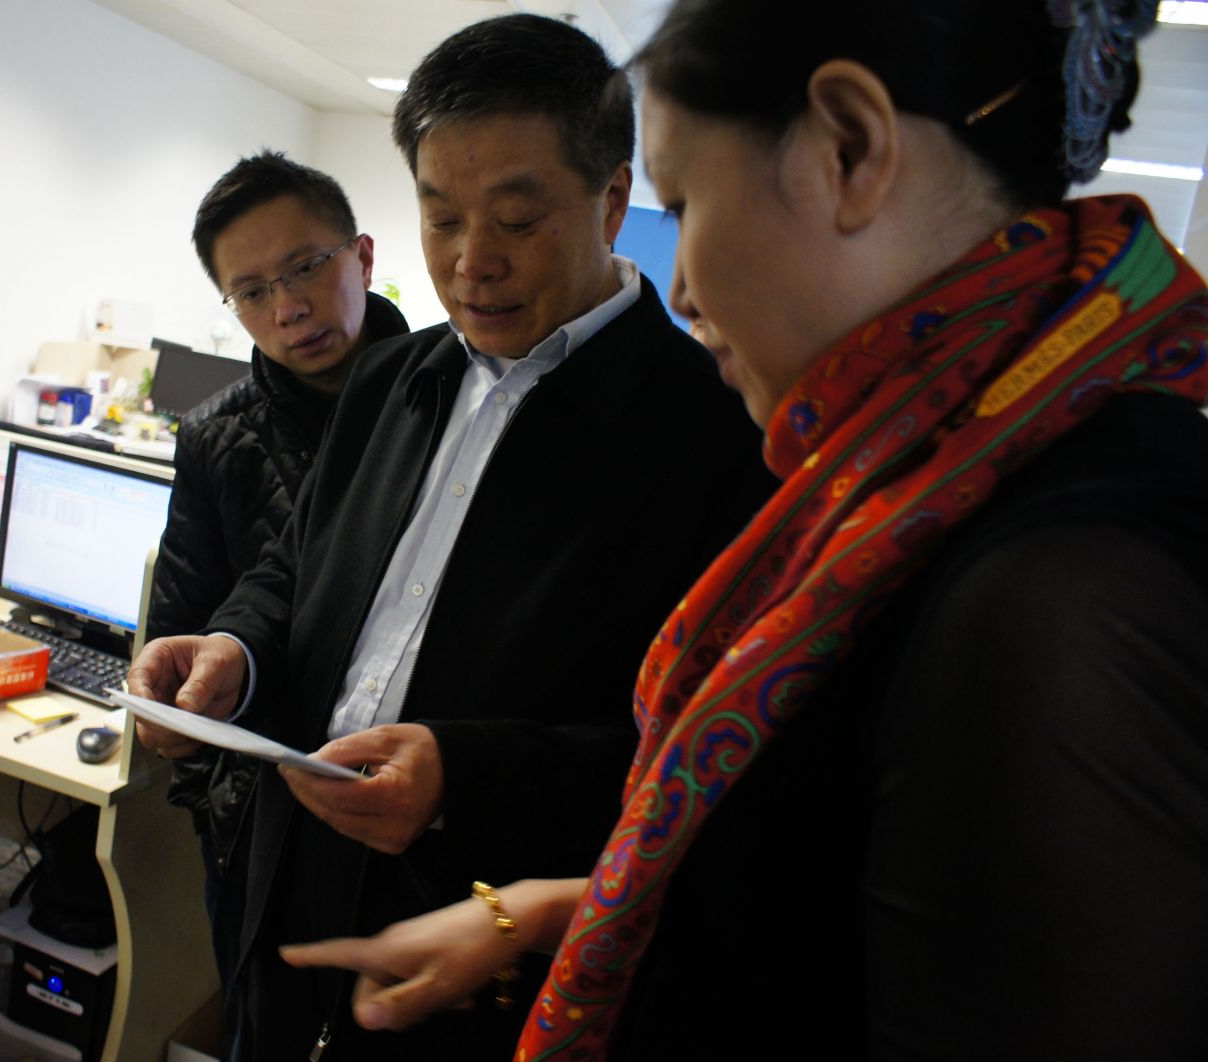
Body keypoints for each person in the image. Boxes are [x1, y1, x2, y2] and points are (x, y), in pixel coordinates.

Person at [282, 1, 1208, 1058]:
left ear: (847, 149)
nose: (680, 287)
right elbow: (829, 910)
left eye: (683, 205)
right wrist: (544, 915)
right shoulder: (916, 485)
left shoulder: (1073, 581)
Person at [129, 13, 774, 1060]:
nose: (473, 263)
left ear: (612, 199)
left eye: (517, 219)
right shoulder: (390, 376)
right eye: (440, 220)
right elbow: (295, 566)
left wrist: (464, 778)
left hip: (491, 945)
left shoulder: (712, 433)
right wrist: (234, 651)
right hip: (294, 889)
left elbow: (706, 754)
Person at [147, 151, 408, 1012]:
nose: (287, 308)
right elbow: (183, 629)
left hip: (411, 806)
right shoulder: (215, 439)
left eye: (306, 268)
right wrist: (215, 802)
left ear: (362, 258)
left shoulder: (453, 396)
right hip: (263, 818)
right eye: (252, 291)